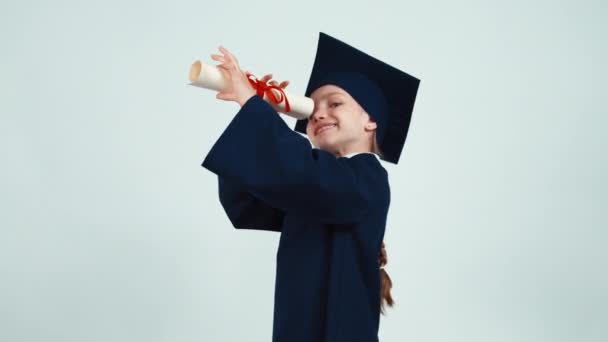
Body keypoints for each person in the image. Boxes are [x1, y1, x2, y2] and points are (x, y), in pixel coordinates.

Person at [202, 32, 419, 342]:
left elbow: (305, 175)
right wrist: (254, 116)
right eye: (313, 108)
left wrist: (254, 109)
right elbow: (246, 204)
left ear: (370, 121)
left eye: (335, 103)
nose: (318, 113)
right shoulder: (311, 184)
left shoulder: (368, 178)